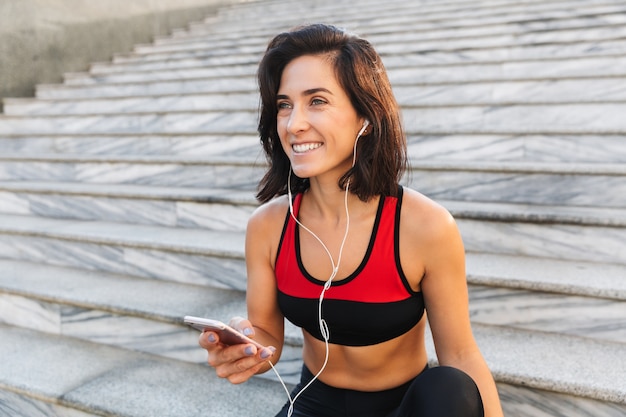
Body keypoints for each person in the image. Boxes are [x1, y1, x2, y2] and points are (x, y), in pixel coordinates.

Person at [199, 23, 504, 417]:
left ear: (365, 116)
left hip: (406, 406)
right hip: (316, 402)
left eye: (317, 101)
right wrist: (243, 348)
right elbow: (267, 335)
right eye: (284, 105)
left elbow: (461, 354)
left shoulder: (425, 226)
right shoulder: (268, 226)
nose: (294, 125)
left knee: (452, 388)